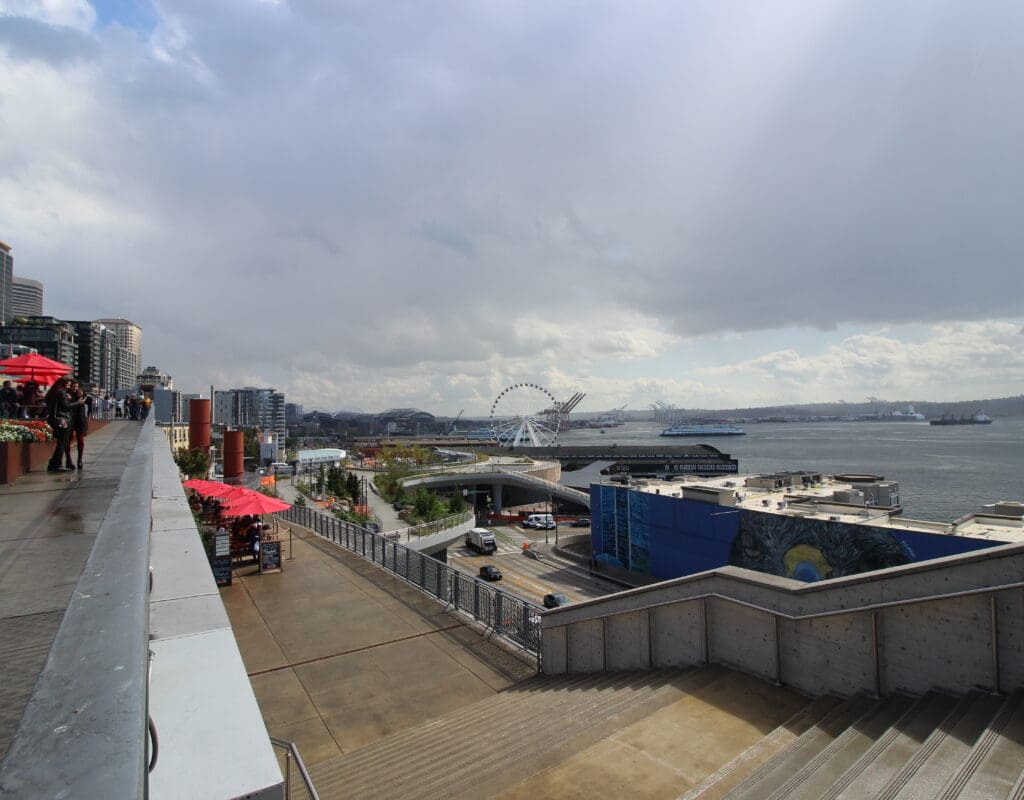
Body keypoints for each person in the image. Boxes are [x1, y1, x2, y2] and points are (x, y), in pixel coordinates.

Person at [43, 377, 84, 473]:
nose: (69, 387)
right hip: (62, 420)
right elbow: (66, 406)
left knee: (60, 442)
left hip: (54, 419)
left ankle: (53, 463)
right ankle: (56, 464)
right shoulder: (61, 393)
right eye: (68, 385)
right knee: (62, 442)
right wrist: (78, 402)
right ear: (63, 384)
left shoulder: (54, 392)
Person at [66, 380, 92, 470]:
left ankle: (79, 460)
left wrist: (83, 395)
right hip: (70, 419)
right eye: (73, 386)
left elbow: (88, 400)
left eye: (76, 386)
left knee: (80, 439)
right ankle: (68, 460)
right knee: (68, 439)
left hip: (80, 419)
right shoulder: (67, 393)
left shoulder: (80, 393)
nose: (75, 388)